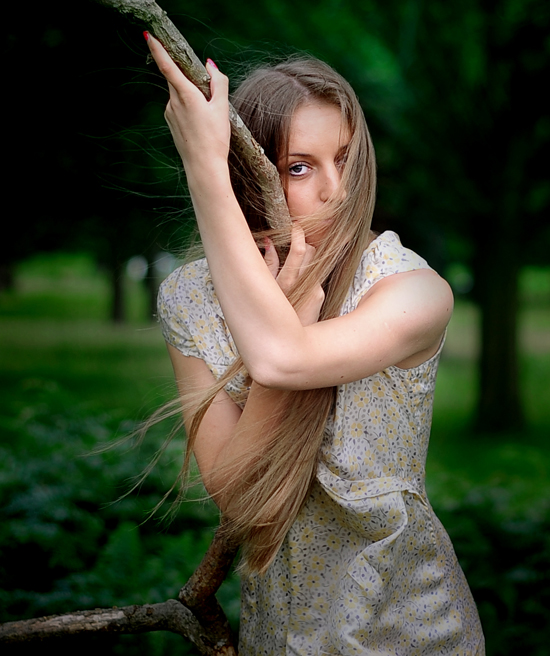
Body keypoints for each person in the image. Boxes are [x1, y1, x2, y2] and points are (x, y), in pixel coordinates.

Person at [145, 31, 485, 655]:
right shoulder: (190, 301)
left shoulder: (410, 289)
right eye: (299, 167)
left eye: (345, 158)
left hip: (409, 626)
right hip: (279, 632)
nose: (338, 190)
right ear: (248, 176)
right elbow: (239, 500)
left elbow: (282, 359)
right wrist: (284, 312)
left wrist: (203, 171)